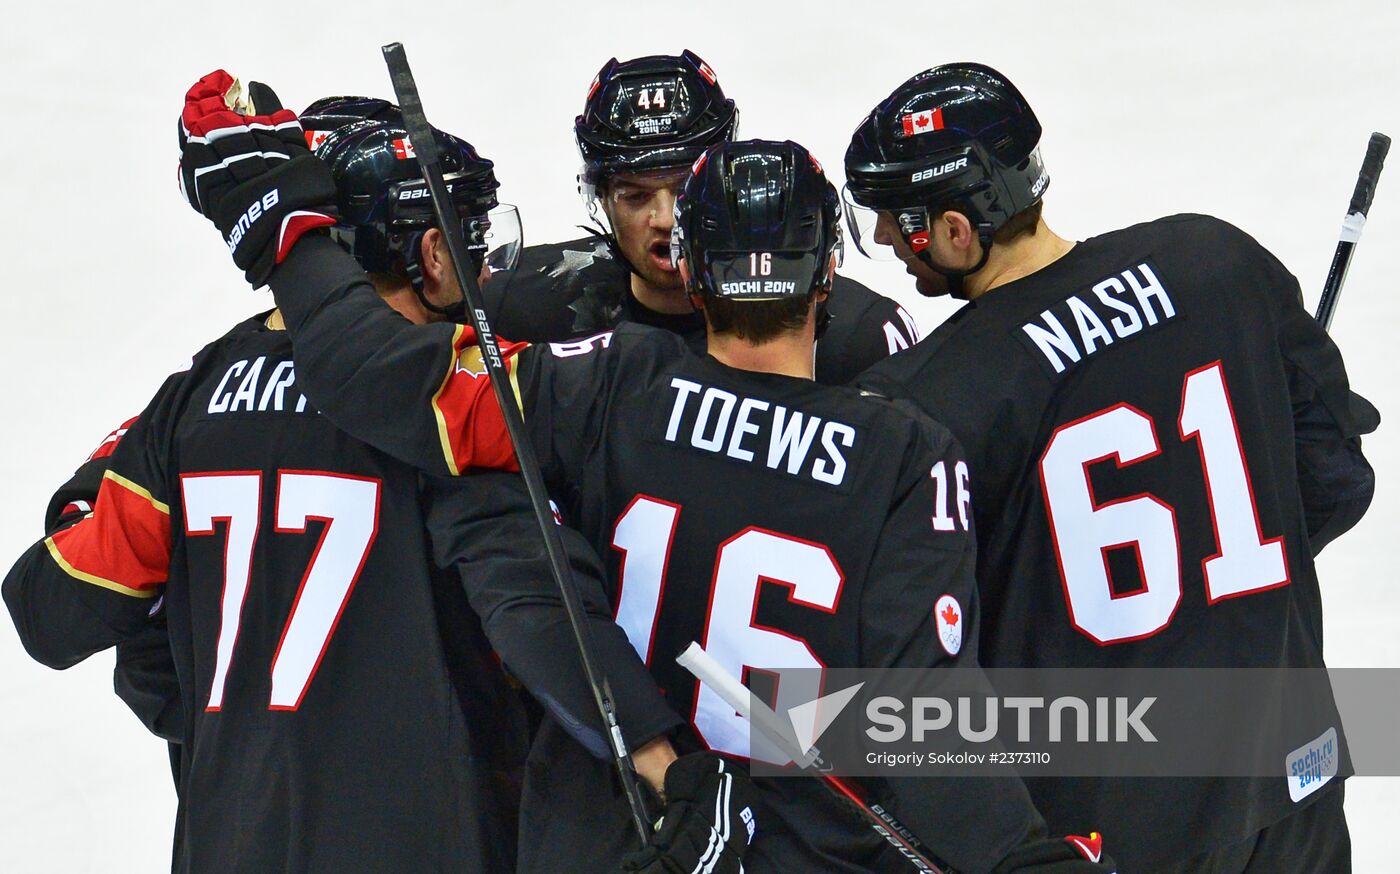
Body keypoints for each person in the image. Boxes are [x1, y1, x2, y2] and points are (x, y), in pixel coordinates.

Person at [180, 73, 1119, 871]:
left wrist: (285, 225)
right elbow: (925, 722)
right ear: (827, 277)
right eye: (636, 191)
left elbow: (385, 388)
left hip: (603, 828)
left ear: (695, 274)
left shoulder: (603, 382)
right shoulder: (907, 448)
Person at [4, 72, 684, 873]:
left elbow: (52, 613)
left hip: (231, 840)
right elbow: (544, 633)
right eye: (469, 236)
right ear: (433, 253)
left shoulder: (191, 402)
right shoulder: (451, 414)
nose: (486, 266)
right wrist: (667, 770)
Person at [843, 62, 1379, 872]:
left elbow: (921, 658)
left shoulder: (924, 400)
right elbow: (1337, 479)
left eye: (897, 219)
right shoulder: (1218, 262)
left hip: (1109, 825)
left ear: (958, 230)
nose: (885, 240)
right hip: (1291, 780)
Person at [483, 50, 922, 383]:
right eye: (636, 197)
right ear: (601, 198)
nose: (665, 218)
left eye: (683, 190)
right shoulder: (513, 307)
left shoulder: (860, 334)